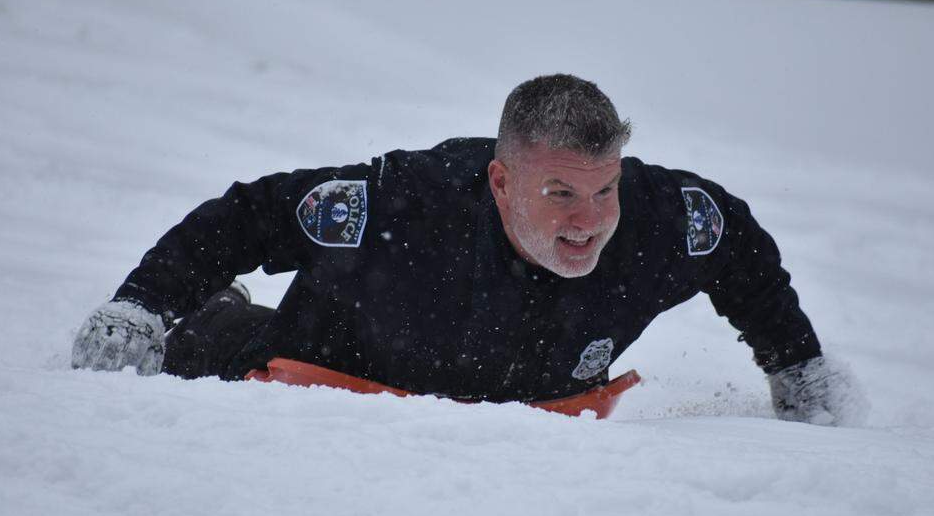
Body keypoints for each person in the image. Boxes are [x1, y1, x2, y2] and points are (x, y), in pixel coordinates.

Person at [72, 74, 859, 425]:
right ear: (499, 179)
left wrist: (796, 363)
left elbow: (742, 250)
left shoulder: (660, 218)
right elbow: (247, 216)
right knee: (212, 332)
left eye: (604, 188)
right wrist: (140, 307)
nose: (589, 220)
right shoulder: (405, 202)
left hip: (533, 402)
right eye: (559, 194)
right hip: (320, 375)